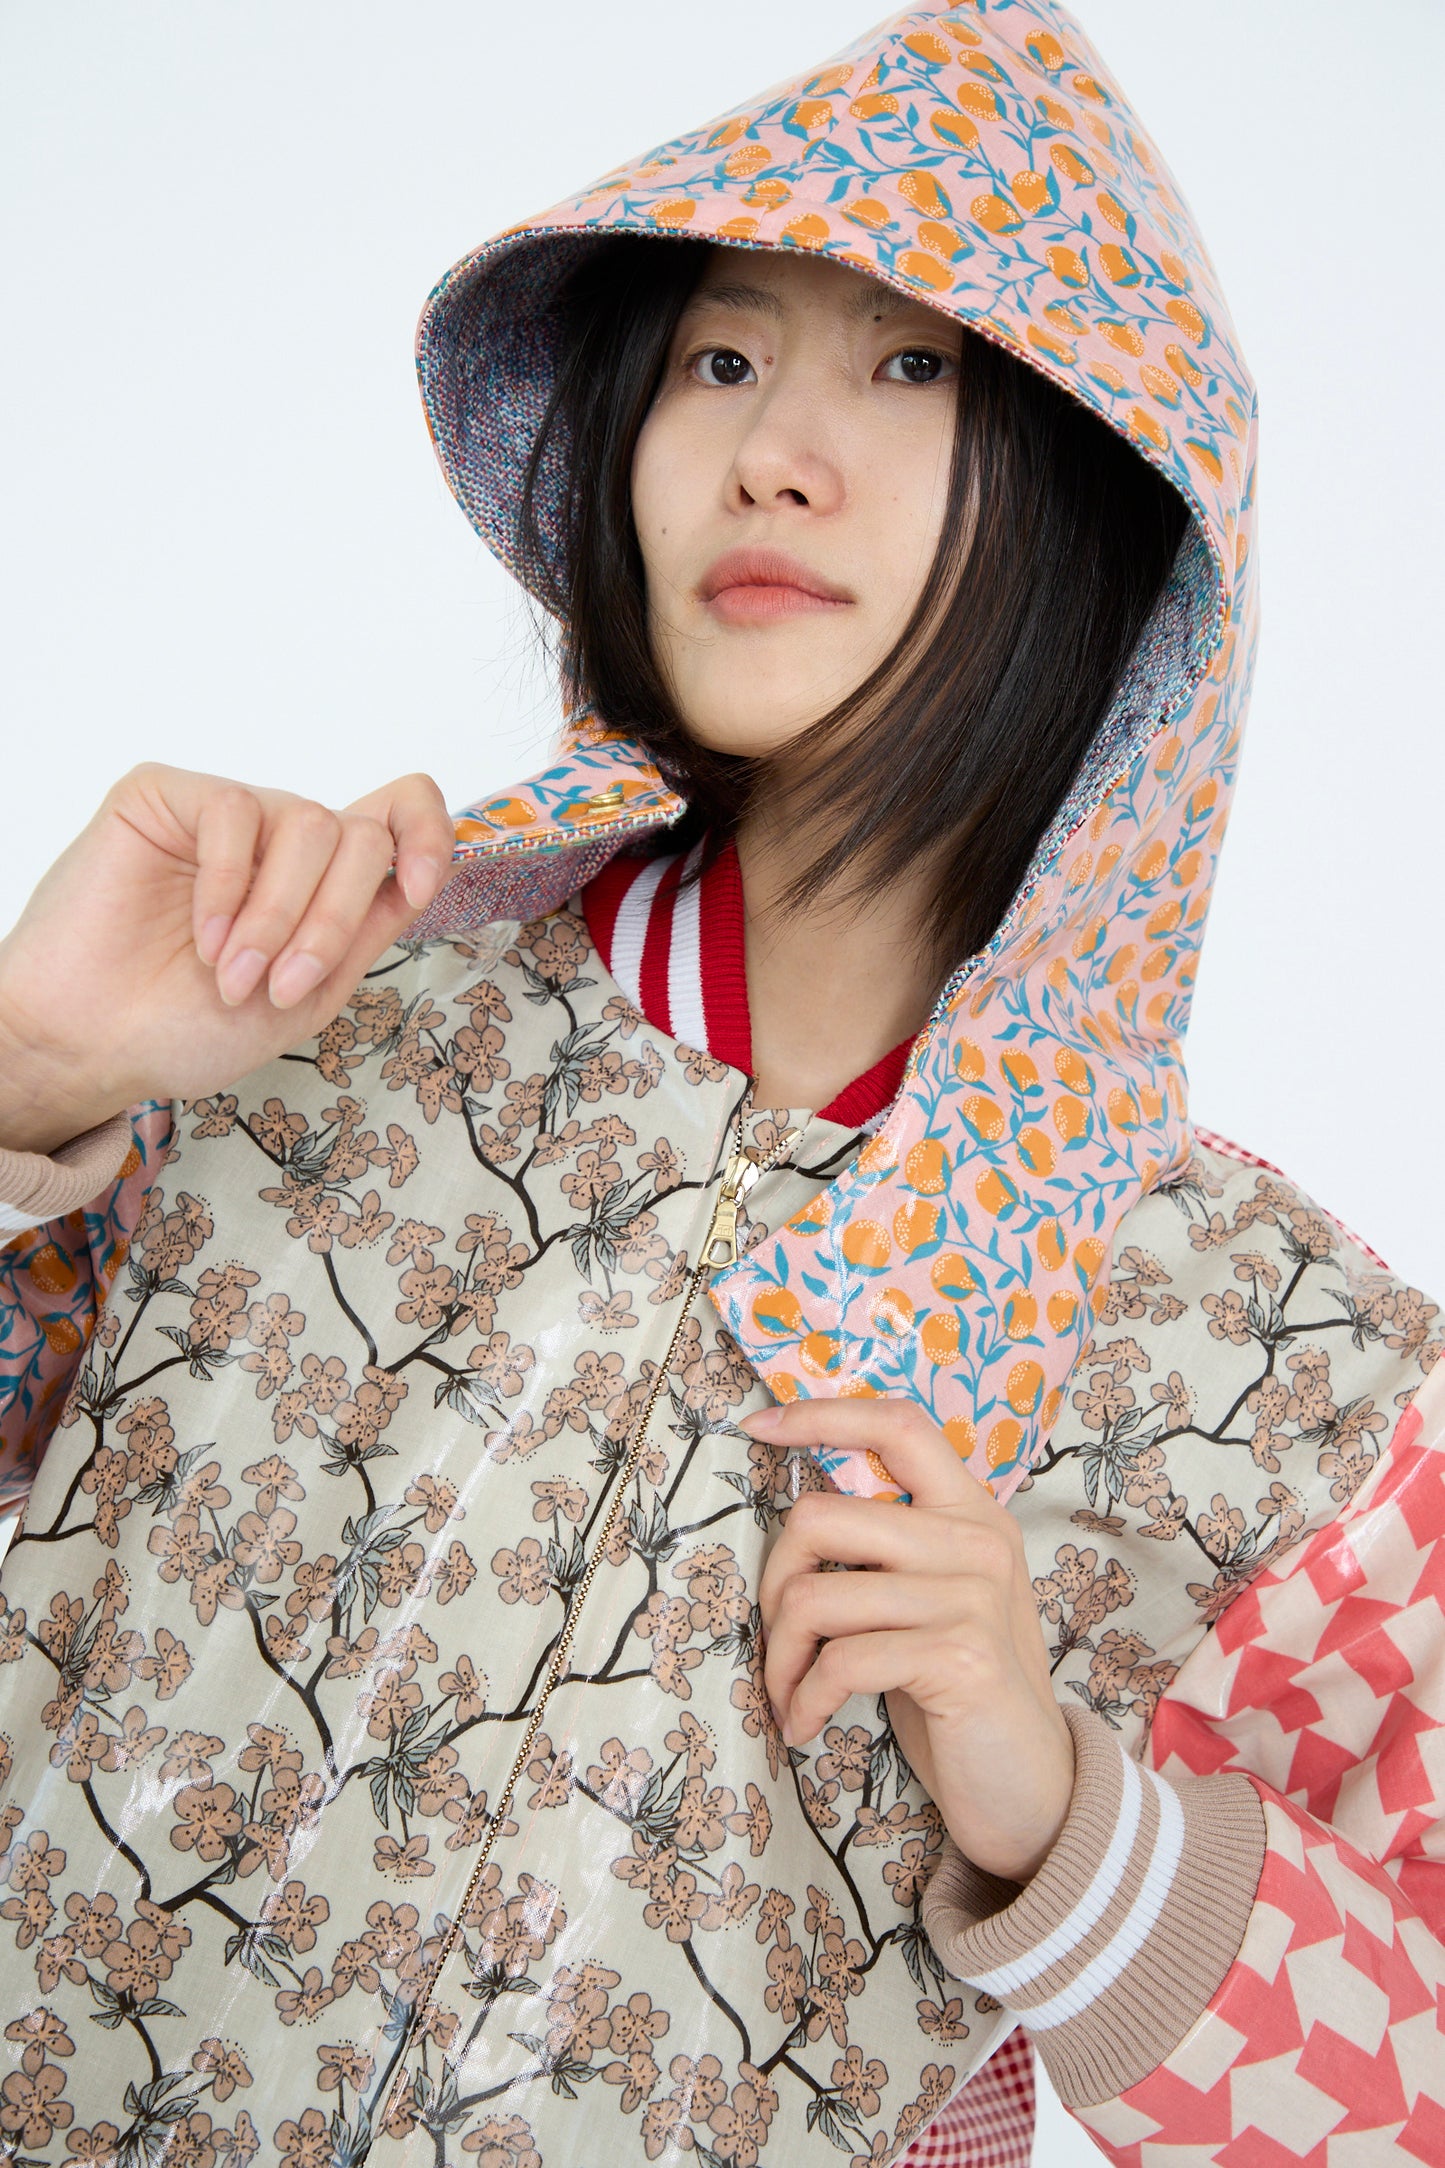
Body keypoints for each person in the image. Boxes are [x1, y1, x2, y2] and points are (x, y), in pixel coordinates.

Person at [0, 0, 1440, 2161]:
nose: (775, 452)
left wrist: (1064, 1820)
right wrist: (24, 1090)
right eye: (722, 355)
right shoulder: (295, 1033)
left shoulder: (1292, 1388)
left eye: (915, 362)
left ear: (1107, 483)